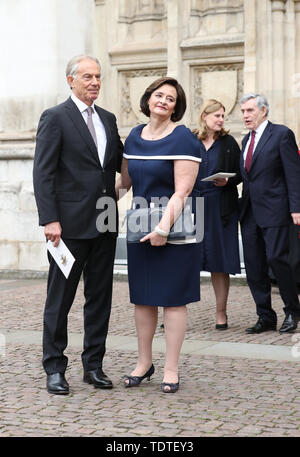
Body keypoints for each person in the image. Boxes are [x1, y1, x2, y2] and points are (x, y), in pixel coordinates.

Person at [33, 55, 123, 394]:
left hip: (105, 219)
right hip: (66, 227)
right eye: (87, 76)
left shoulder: (109, 119)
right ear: (70, 80)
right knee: (60, 299)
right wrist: (50, 219)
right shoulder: (55, 117)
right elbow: (43, 172)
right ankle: (55, 367)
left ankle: (94, 366)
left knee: (99, 298)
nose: (95, 82)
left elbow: (120, 161)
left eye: (98, 77)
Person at [116, 77, 201, 393]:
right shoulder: (134, 137)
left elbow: (184, 189)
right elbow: (123, 184)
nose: (164, 100)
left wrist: (163, 229)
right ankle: (144, 363)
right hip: (139, 226)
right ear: (148, 98)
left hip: (174, 228)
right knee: (143, 298)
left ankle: (171, 368)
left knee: (174, 301)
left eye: (171, 98)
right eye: (159, 95)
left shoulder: (184, 139)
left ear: (176, 107)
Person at [239, 93, 300, 334]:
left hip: (275, 210)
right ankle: (265, 316)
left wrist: (296, 207)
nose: (245, 115)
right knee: (254, 266)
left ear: (263, 111)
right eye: (243, 111)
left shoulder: (281, 134)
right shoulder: (245, 141)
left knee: (277, 259)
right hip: (250, 212)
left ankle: (293, 311)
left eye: (250, 110)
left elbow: (293, 174)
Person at [193, 99, 242, 330]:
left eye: (223, 116)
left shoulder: (229, 142)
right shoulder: (191, 141)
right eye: (217, 116)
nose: (221, 120)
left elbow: (241, 175)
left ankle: (220, 313)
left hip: (221, 207)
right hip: (193, 206)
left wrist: (227, 180)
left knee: (219, 262)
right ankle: (174, 309)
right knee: (184, 259)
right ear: (205, 116)